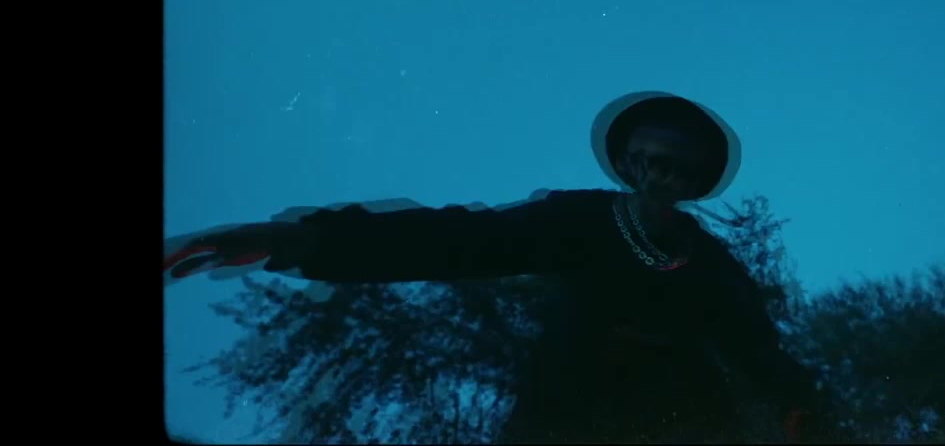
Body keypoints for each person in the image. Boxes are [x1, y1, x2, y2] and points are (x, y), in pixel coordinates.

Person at [164, 91, 830, 443]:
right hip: (565, 419)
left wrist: (802, 411)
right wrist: (300, 241)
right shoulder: (577, 220)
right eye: (647, 156)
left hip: (687, 425)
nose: (659, 172)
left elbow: (759, 352)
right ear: (628, 163)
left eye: (676, 161)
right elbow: (455, 240)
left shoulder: (714, 265)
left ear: (697, 177)